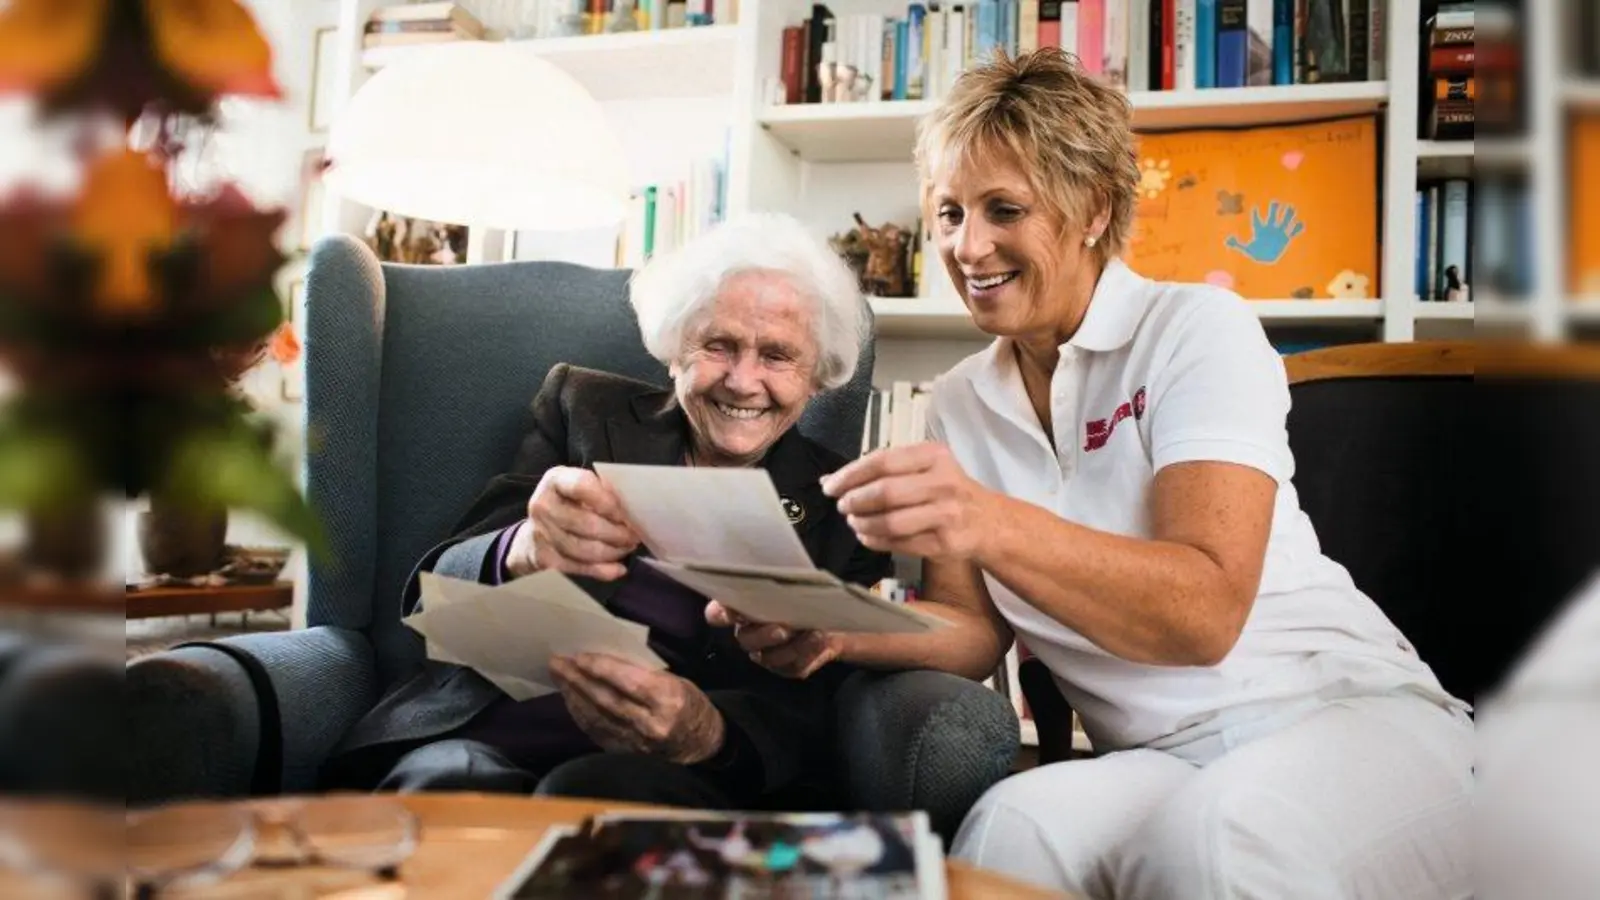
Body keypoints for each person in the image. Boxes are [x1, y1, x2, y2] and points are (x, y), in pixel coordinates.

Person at [711, 50, 1473, 898]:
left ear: (1092, 209)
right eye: (950, 212)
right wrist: (832, 634)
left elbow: (1205, 614)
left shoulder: (1196, 329)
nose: (968, 246)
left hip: (1340, 713)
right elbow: (969, 631)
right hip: (1159, 756)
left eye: (1005, 210)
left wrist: (983, 517)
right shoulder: (963, 399)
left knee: (1217, 843)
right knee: (1008, 834)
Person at [319, 212, 892, 810]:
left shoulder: (845, 502)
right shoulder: (584, 410)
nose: (742, 381)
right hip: (483, 727)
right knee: (453, 783)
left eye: (777, 356)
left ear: (817, 378)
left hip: (668, 768)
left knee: (595, 795)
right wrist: (522, 546)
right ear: (675, 349)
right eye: (718, 346)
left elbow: (819, 704)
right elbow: (431, 596)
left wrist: (710, 733)